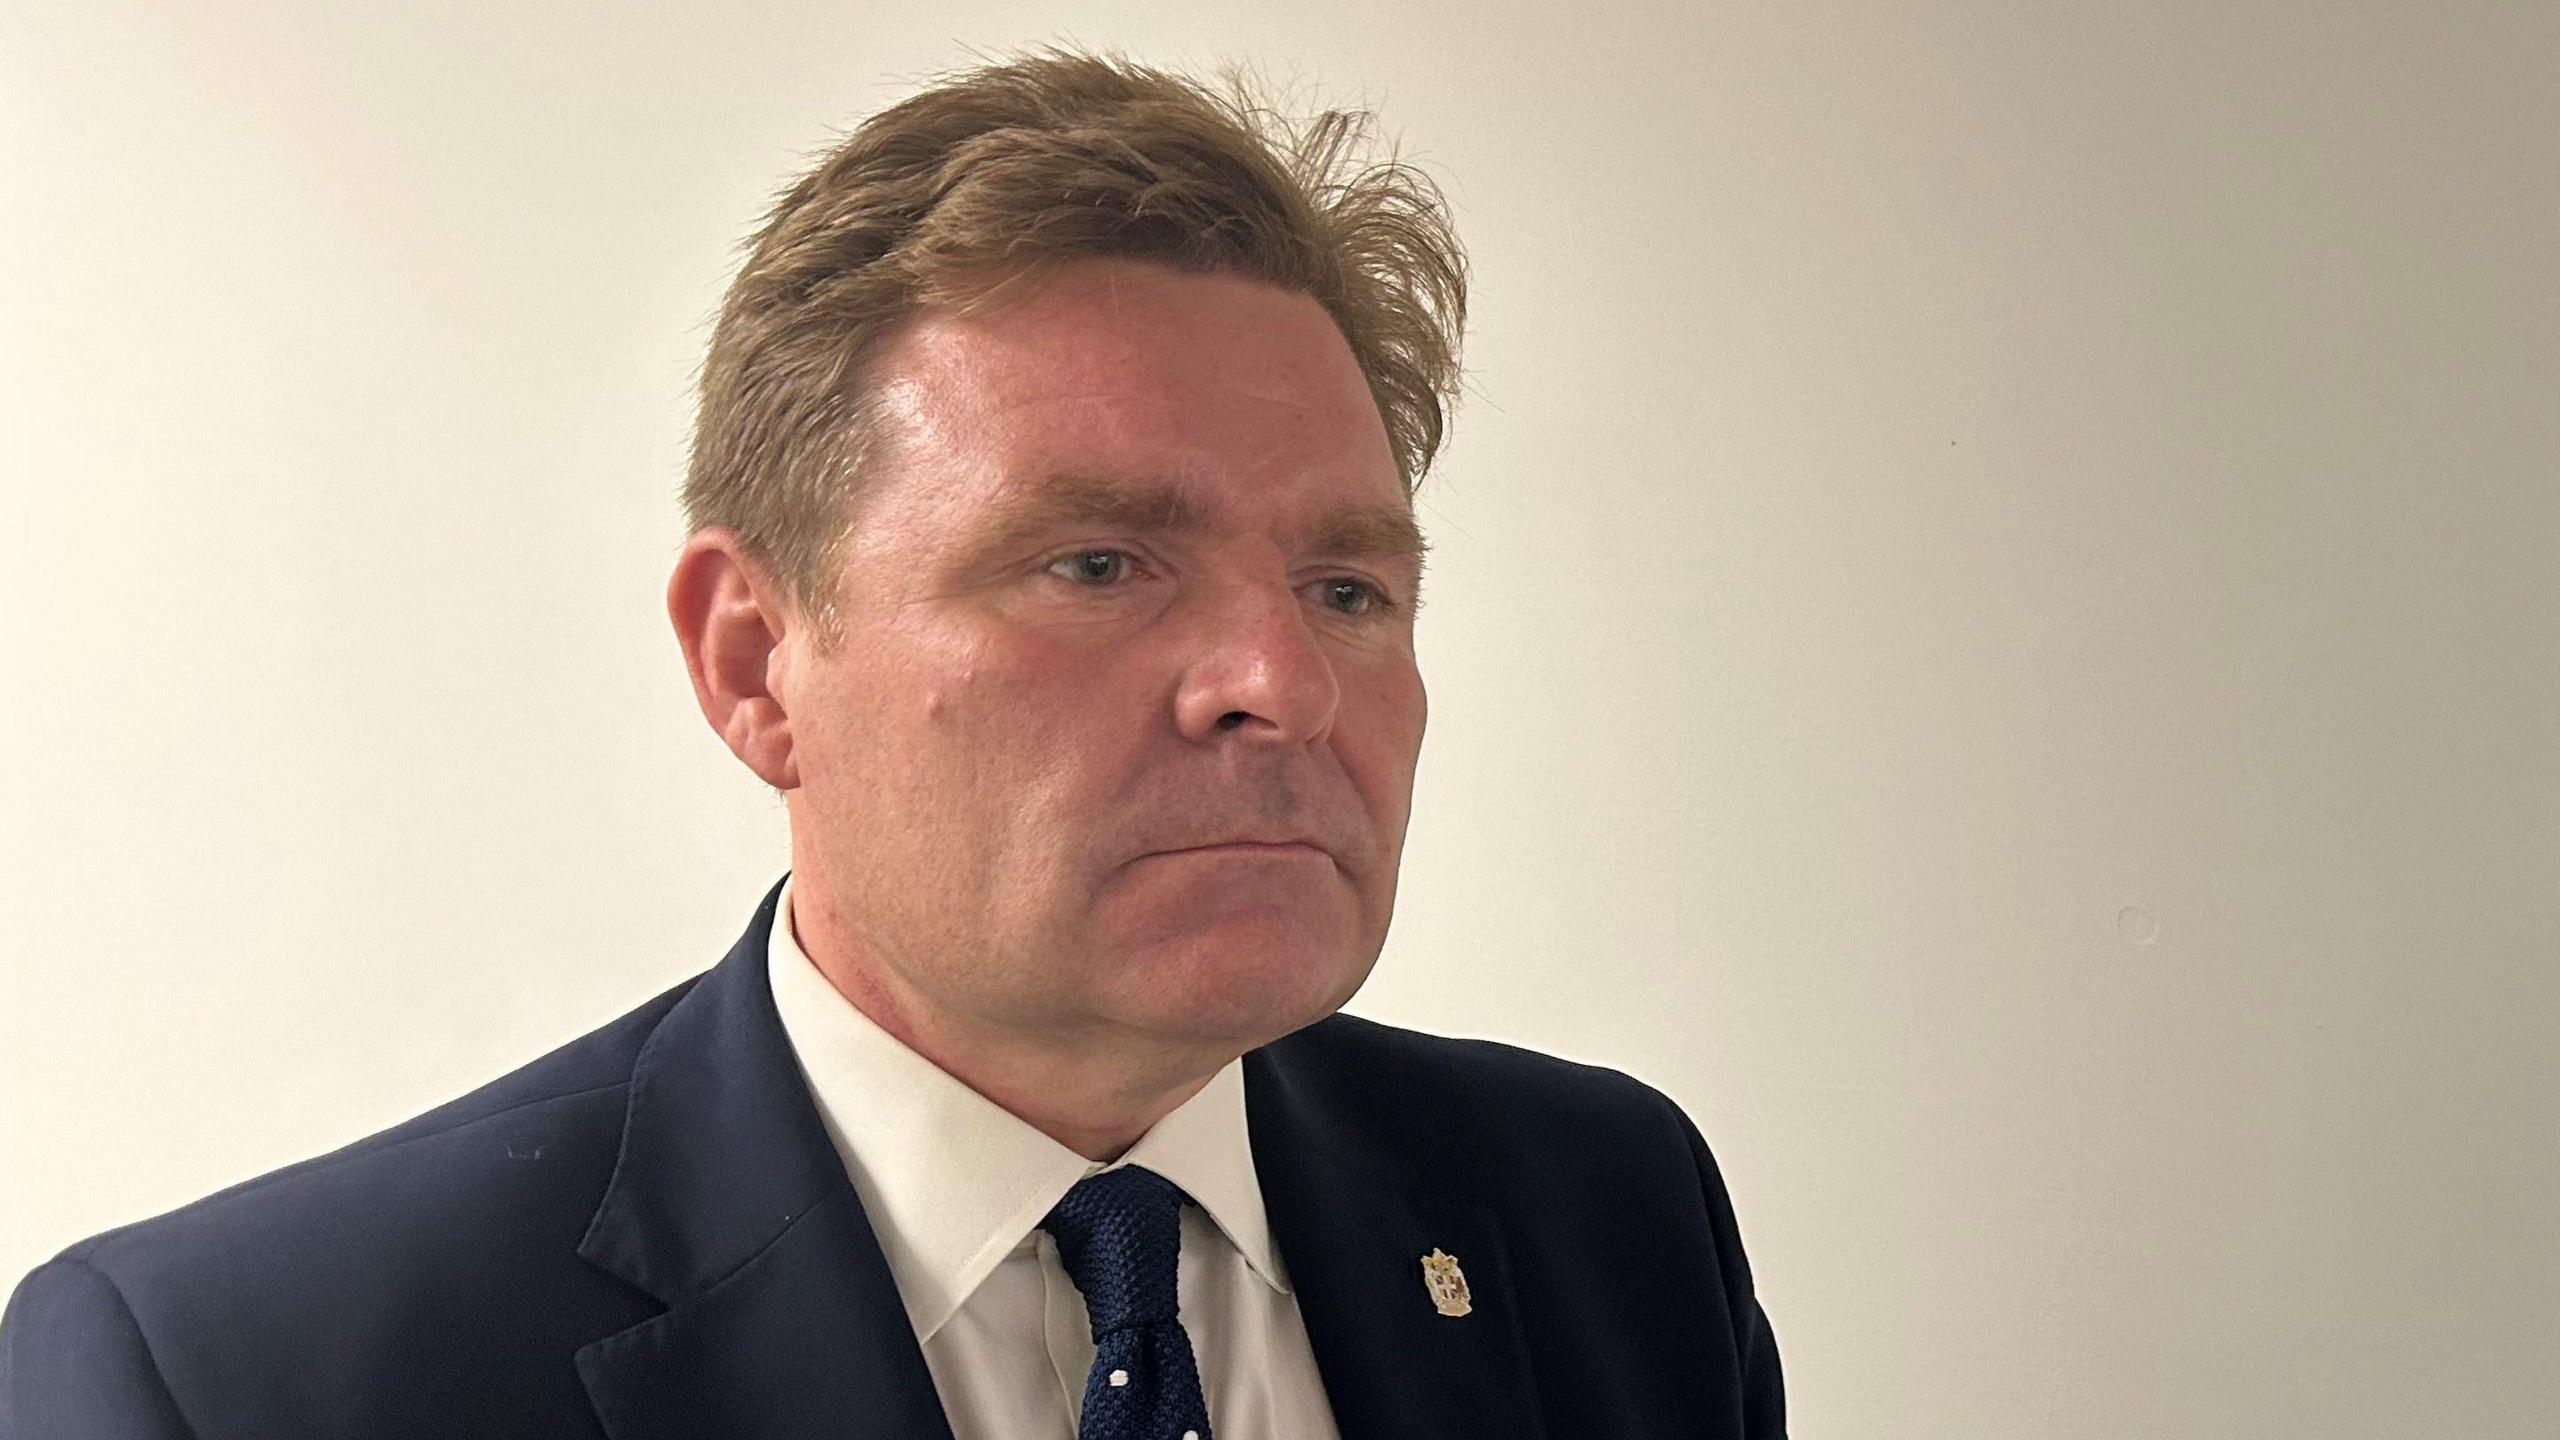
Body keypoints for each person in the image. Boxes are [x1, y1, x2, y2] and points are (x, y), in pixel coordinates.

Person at [0, 47, 1784, 1439]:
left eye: (1346, 589)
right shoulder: (241, 1384)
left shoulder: (1601, 1220)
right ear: (757, 660)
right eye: (1099, 564)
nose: (1279, 684)